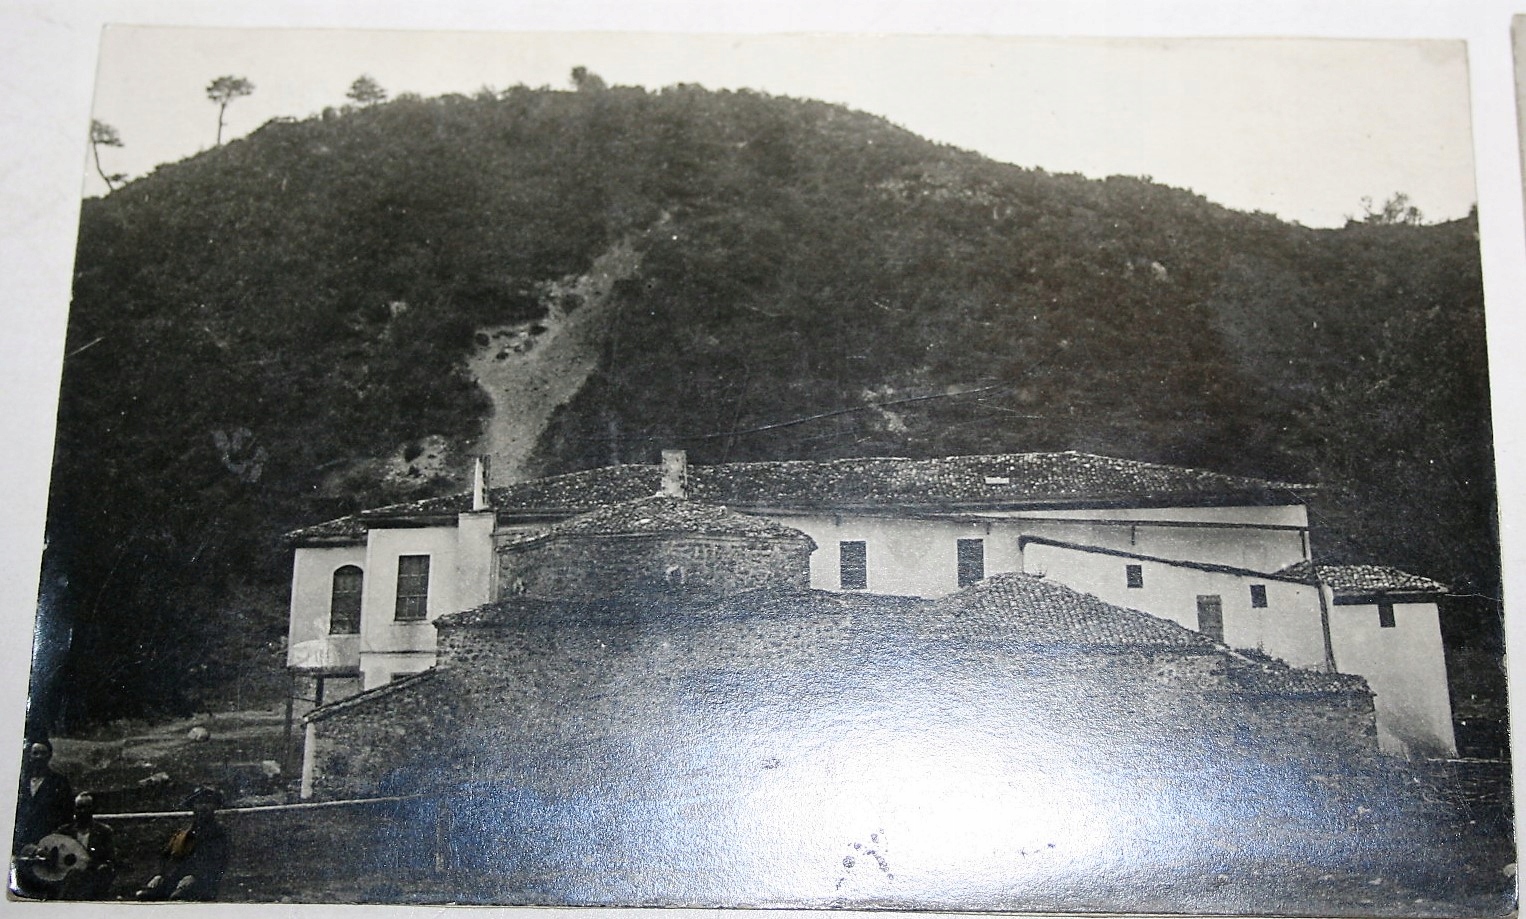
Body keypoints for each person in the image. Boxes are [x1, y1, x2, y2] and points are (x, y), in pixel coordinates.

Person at [135, 786, 231, 901]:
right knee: (146, 895)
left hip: (203, 881)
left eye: (208, 803)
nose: (203, 807)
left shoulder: (218, 833)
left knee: (179, 897)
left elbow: (216, 863)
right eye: (199, 803)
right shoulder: (184, 831)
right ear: (193, 806)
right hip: (176, 878)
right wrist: (160, 875)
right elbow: (167, 856)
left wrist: (195, 876)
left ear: (214, 806)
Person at [49, 792, 116, 900]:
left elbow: (110, 857)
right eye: (79, 807)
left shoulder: (104, 831)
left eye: (87, 807)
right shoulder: (64, 831)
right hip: (68, 876)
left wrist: (102, 867)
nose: (83, 811)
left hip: (92, 874)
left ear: (93, 809)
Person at [13, 740, 73, 851]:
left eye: (43, 753)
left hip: (49, 843)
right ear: (30, 756)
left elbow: (66, 814)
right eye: (35, 753)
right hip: (23, 843)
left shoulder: (59, 782)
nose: (39, 757)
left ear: (49, 756)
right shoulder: (21, 782)